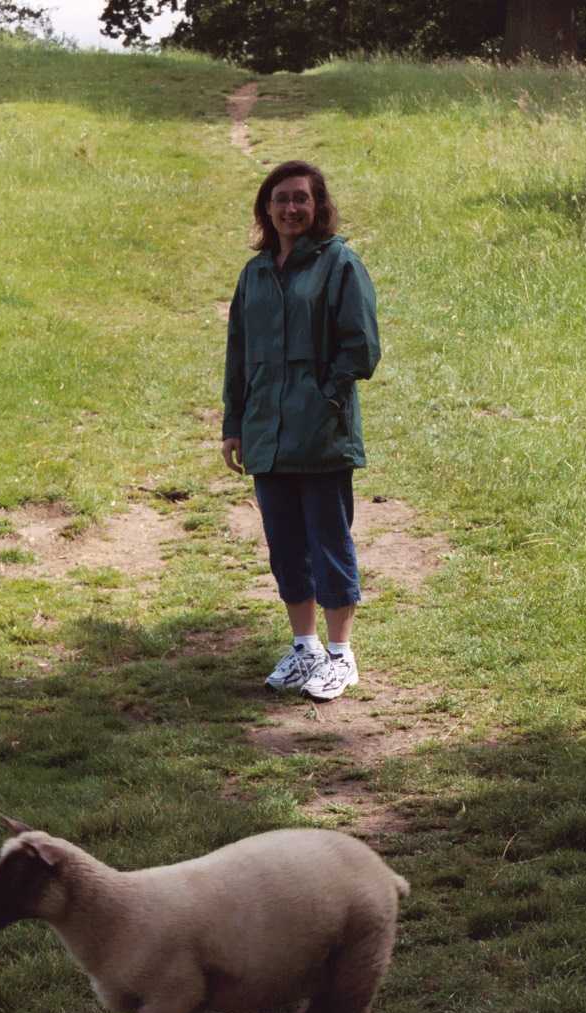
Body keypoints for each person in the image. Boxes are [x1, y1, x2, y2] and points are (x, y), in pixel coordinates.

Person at [221, 160, 381, 703]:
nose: (292, 208)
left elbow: (361, 348)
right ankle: (304, 648)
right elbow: (238, 355)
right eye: (281, 199)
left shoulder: (339, 265)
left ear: (318, 207)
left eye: (302, 199)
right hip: (266, 433)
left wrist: (326, 398)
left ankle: (341, 656)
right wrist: (234, 423)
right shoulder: (255, 273)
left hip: (320, 434)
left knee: (328, 542)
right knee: (285, 546)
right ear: (267, 208)